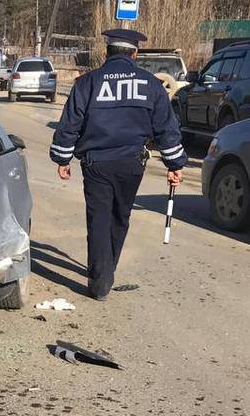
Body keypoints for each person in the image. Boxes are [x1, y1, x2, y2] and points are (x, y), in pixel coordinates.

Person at [50, 28, 188, 300]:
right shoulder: (151, 85)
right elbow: (166, 129)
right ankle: (107, 270)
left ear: (107, 52)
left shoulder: (87, 83)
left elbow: (70, 125)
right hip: (131, 164)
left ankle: (100, 282)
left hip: (96, 164)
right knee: (120, 217)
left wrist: (62, 158)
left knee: (99, 219)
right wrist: (175, 165)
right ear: (134, 54)